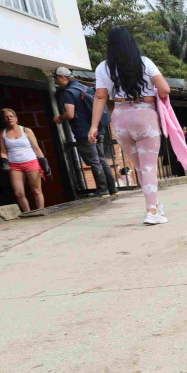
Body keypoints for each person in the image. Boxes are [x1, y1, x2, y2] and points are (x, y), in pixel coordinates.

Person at [89, 25, 171, 225]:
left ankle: (155, 204)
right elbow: (165, 89)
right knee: (148, 166)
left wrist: (94, 126)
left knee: (140, 167)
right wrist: (152, 95)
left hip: (120, 118)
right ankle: (151, 211)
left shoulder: (102, 68)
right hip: (145, 117)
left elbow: (100, 96)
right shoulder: (144, 62)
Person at [52, 67, 116, 197]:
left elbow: (70, 114)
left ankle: (102, 190)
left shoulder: (69, 93)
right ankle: (112, 189)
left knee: (94, 161)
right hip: (98, 129)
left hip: (84, 132)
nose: (55, 81)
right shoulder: (85, 88)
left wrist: (59, 118)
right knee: (101, 159)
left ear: (62, 77)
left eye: (56, 78)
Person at [0, 108, 50, 213]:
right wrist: (4, 162)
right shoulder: (1, 134)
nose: (9, 118)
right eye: (6, 117)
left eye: (11, 116)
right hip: (14, 165)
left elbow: (36, 148)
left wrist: (44, 162)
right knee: (19, 193)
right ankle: (28, 213)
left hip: (31, 162)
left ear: (16, 118)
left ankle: (40, 211)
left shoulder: (26, 130)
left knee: (36, 190)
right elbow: (3, 151)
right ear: (3, 120)